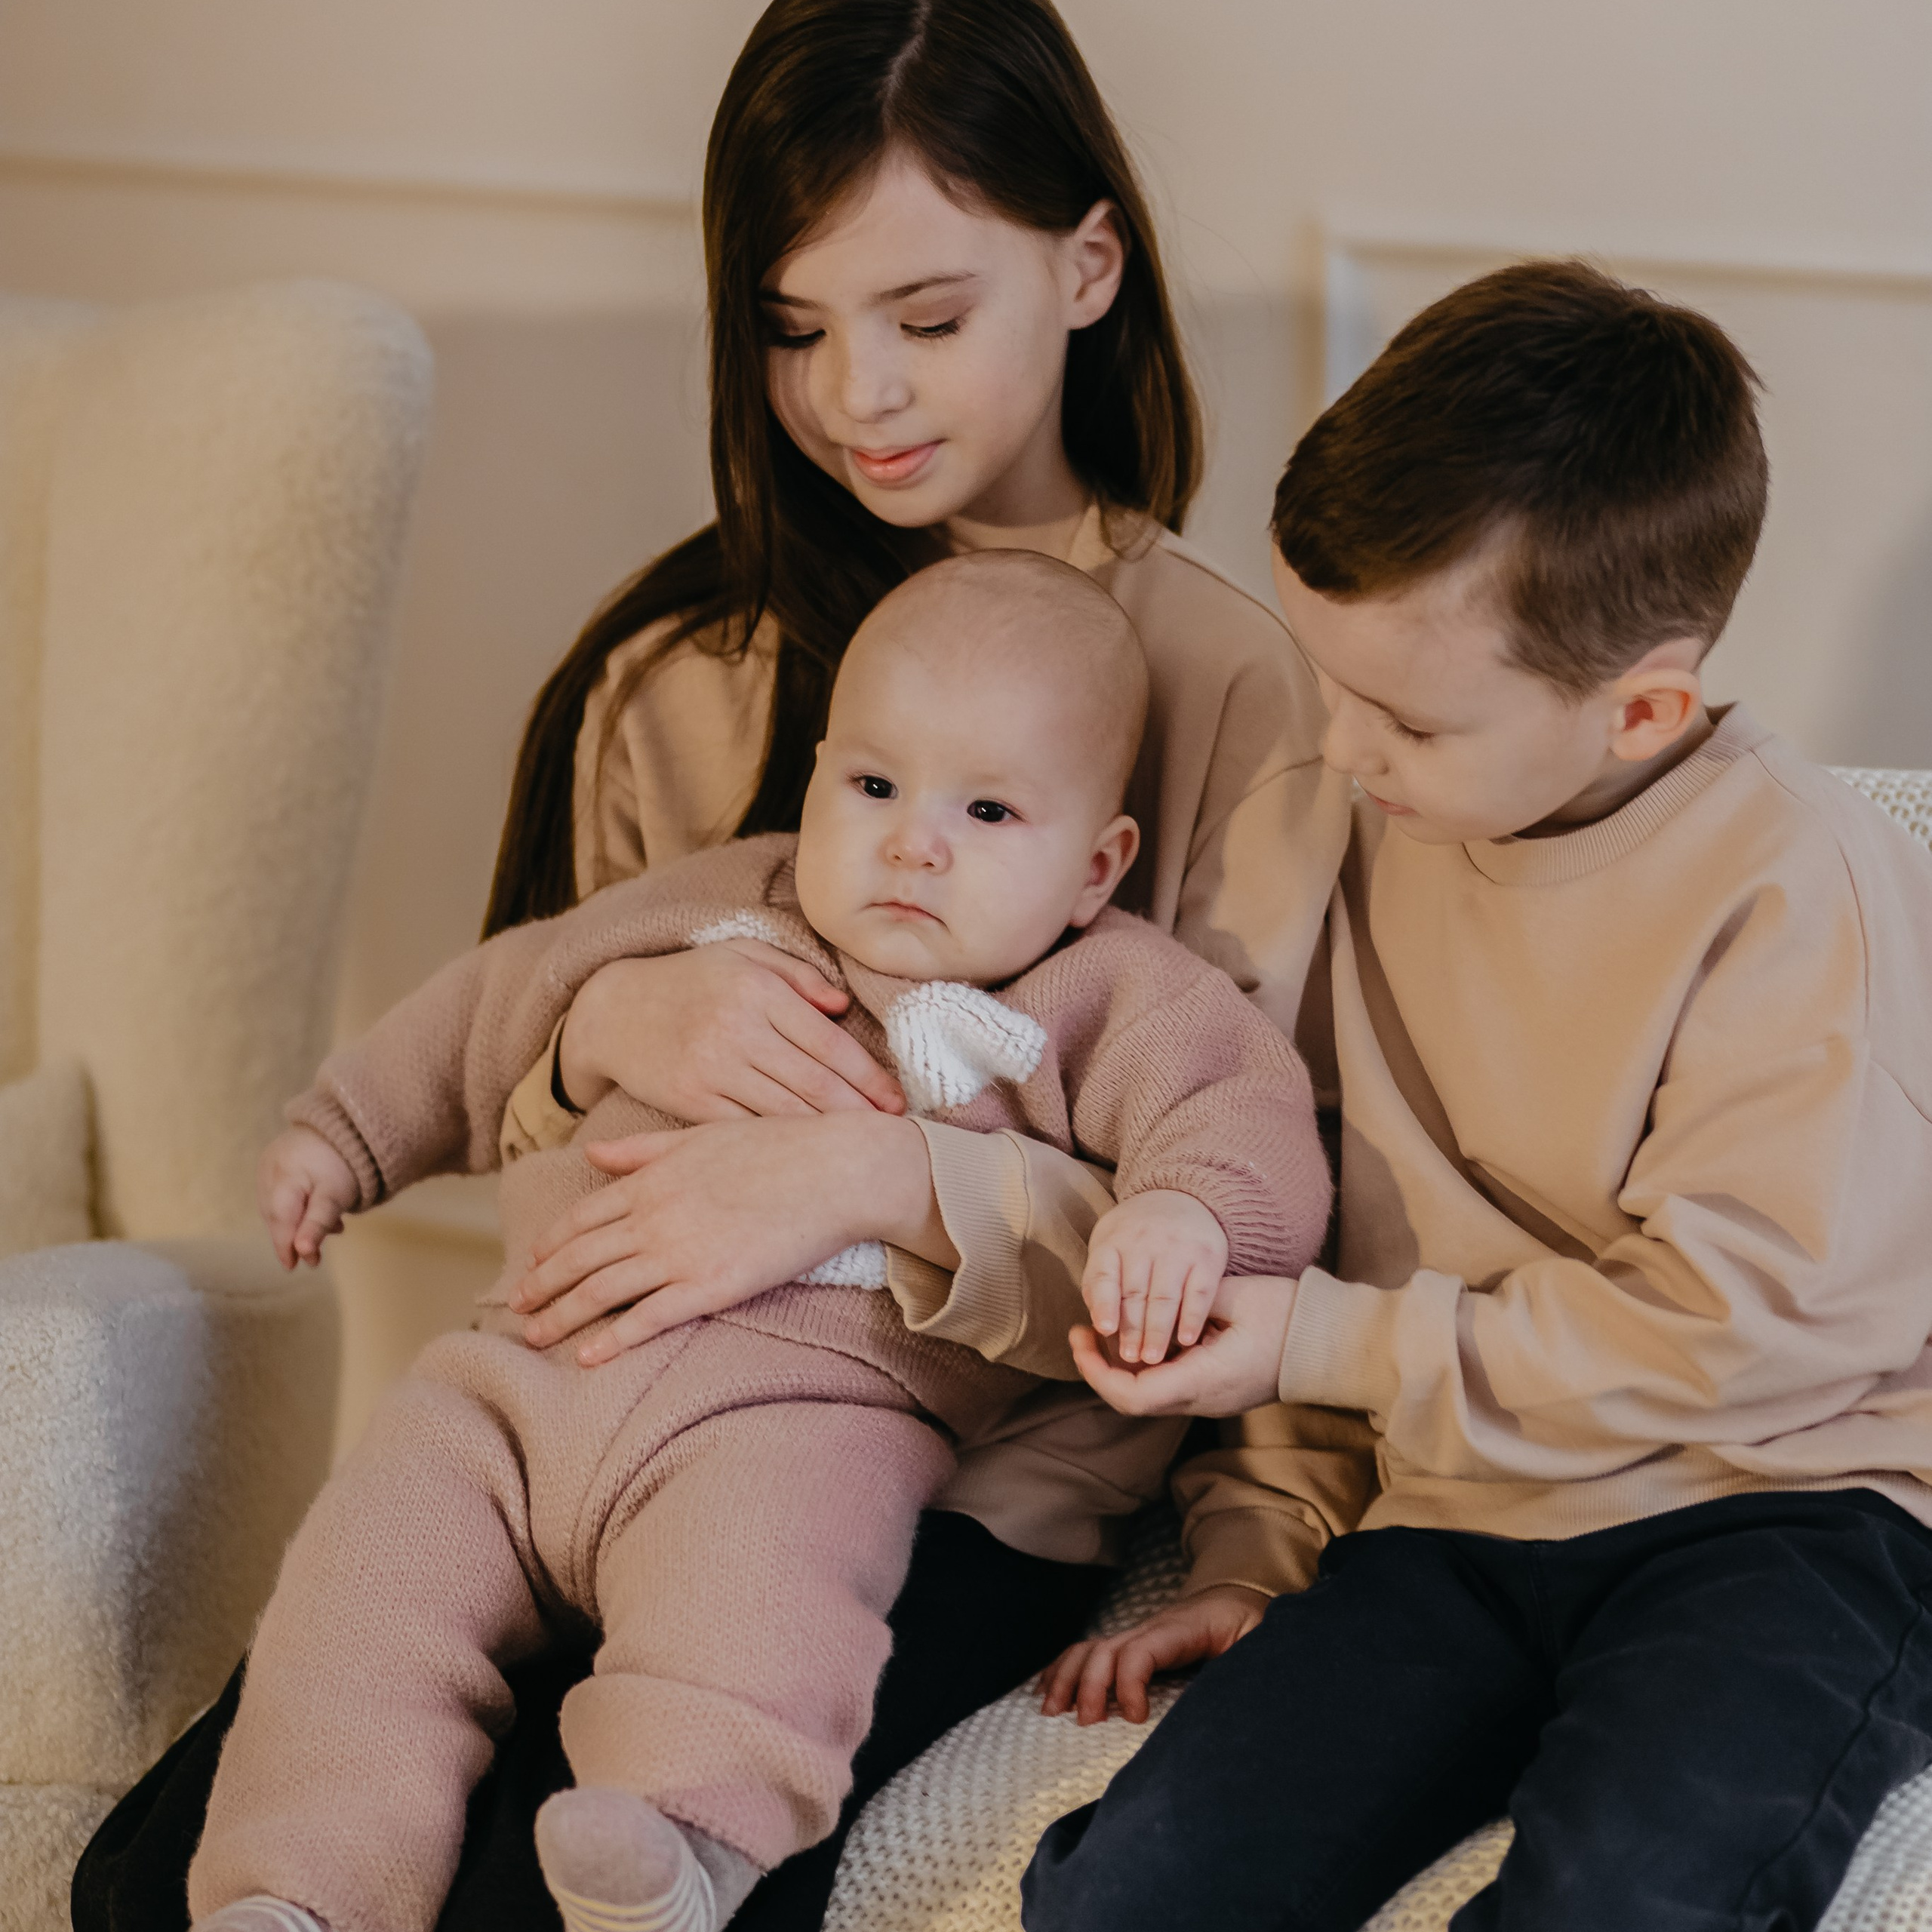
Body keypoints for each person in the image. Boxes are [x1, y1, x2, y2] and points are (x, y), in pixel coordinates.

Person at [74, 6, 1350, 1929]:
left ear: (1088, 267)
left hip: (935, 1471)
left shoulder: (1232, 692)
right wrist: (602, 1022)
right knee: (149, 1880)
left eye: (926, 316)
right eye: (791, 326)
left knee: (551, 1886)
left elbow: (1248, 1185)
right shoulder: (680, 671)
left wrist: (880, 1178)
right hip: (583, 1396)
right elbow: (518, 1099)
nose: (857, 394)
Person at [186, 552, 1331, 1932]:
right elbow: (502, 997)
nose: (915, 844)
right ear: (817, 779)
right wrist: (345, 1134)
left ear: (1098, 868)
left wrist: (1184, 1212)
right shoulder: (721, 905)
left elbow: (1244, 1114)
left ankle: (675, 1856)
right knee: (364, 1600)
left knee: (759, 1615)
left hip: (794, 1416)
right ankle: (298, 1895)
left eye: (986, 810)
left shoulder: (1107, 998)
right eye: (876, 786)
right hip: (518, 1376)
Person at [1019, 257, 1932, 1932]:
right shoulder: (1338, 826)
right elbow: (1301, 1196)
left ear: (1641, 707)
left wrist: (1321, 1343)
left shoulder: (1802, 887)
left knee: (1626, 1902)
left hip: (1782, 1509)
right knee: (1126, 1896)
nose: (1342, 746)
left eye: (1410, 719)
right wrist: (1257, 1540)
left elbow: (1736, 1324)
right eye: (1328, 680)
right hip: (1453, 1513)